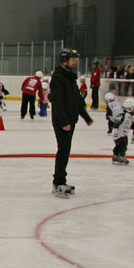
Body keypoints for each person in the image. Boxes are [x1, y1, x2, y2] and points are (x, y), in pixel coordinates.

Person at [49, 49, 94, 198]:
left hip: (70, 120)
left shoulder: (70, 77)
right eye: (73, 60)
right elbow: (57, 102)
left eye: (76, 60)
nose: (75, 62)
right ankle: (58, 183)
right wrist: (63, 122)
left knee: (65, 151)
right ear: (64, 60)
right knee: (63, 151)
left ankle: (61, 181)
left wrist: (85, 116)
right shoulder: (58, 77)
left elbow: (77, 100)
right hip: (63, 121)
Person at [109, 96, 132, 165]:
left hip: (119, 134)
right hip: (121, 134)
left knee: (118, 146)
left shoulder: (124, 115)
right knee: (123, 146)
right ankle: (121, 156)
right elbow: (117, 122)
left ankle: (115, 155)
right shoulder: (125, 115)